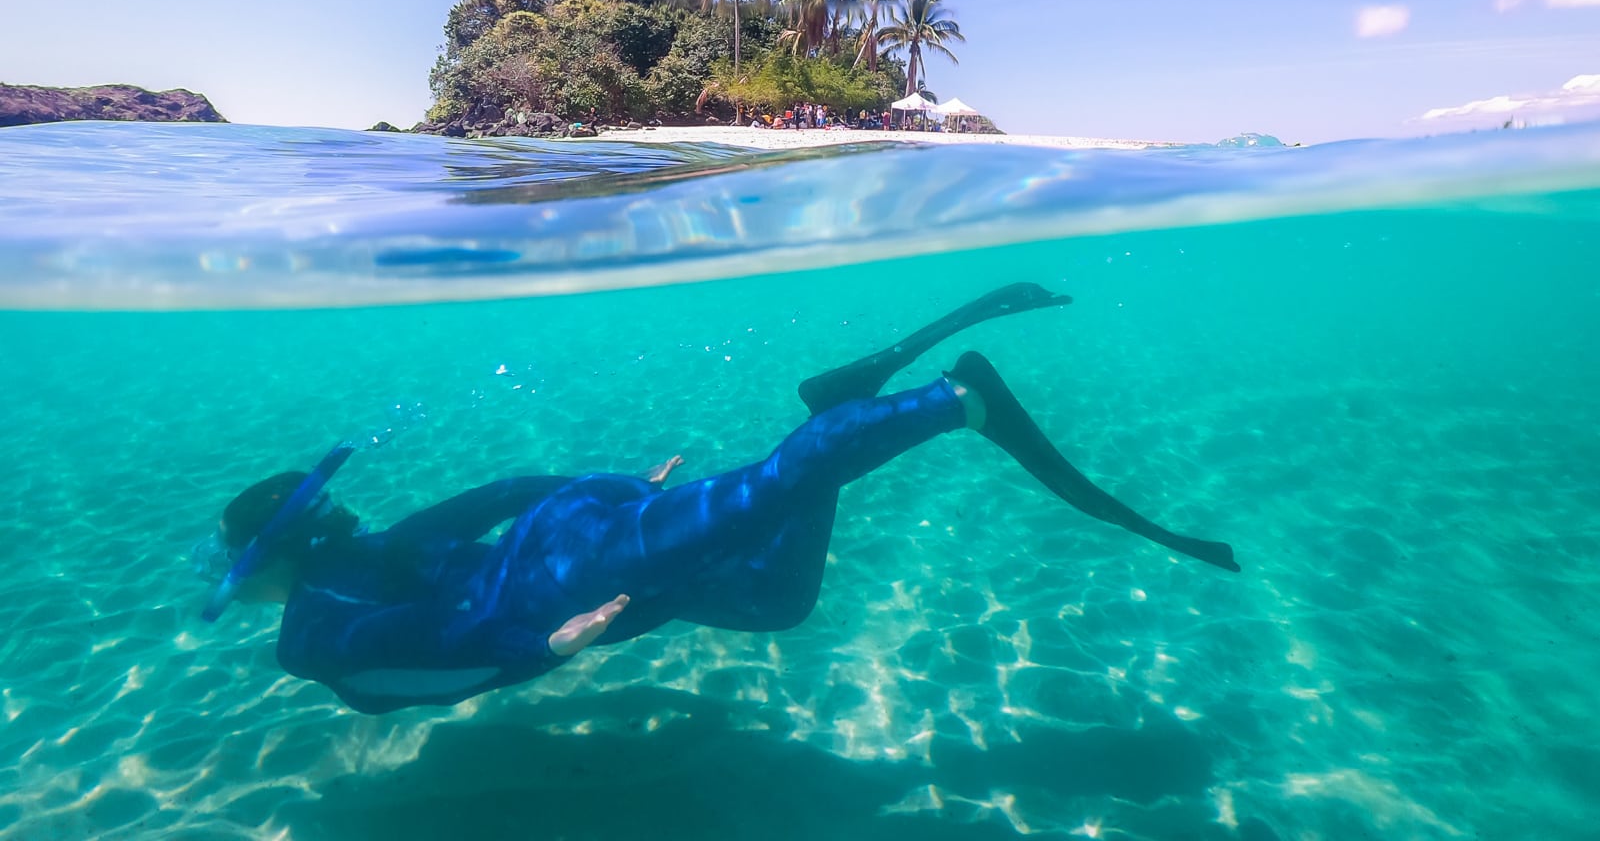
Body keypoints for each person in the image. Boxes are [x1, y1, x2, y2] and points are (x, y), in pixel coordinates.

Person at [192, 285, 1239, 715]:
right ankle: (842, 402)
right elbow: (505, 495)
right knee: (775, 598)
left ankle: (953, 399)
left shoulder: (307, 636)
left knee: (771, 486)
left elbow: (413, 680)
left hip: (574, 581)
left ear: (264, 563)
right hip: (575, 561)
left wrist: (543, 649)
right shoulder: (362, 554)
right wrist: (600, 492)